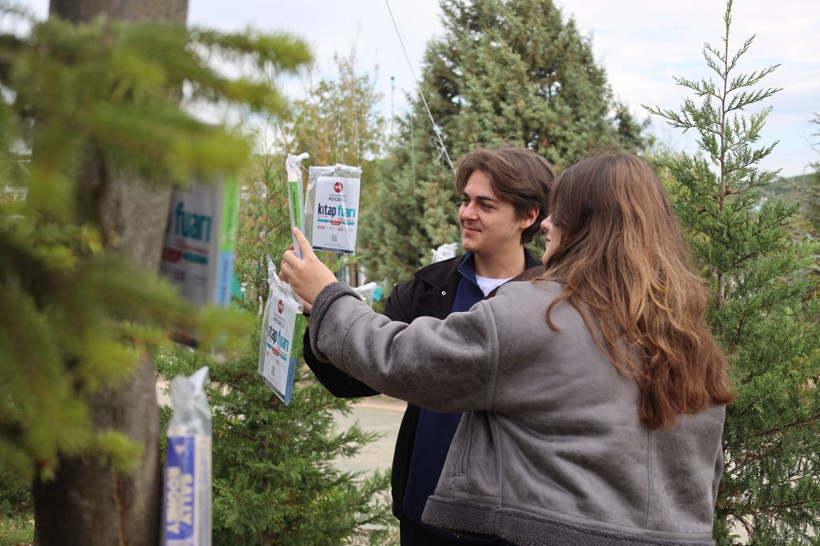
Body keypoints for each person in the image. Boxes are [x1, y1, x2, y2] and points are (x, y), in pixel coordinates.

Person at [282, 153, 735, 545]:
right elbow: (703, 475)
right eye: (465, 200)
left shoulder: (541, 311)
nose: (551, 224)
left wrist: (329, 297)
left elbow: (401, 359)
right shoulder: (688, 337)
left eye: (561, 213)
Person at [300, 147, 555, 545]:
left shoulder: (554, 300)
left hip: (509, 525)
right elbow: (353, 379)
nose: (467, 213)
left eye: (485, 204)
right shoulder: (426, 290)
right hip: (423, 516)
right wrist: (321, 311)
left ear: (528, 216)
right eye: (465, 200)